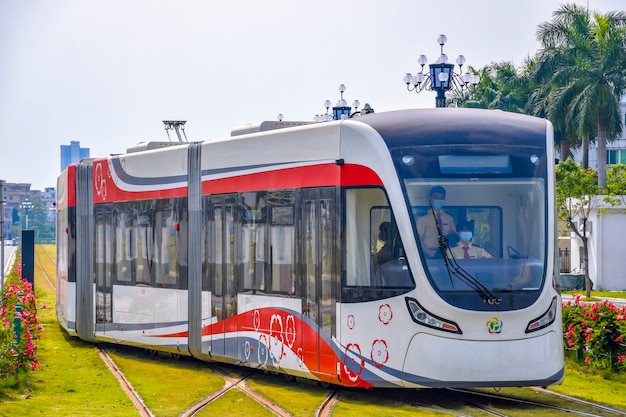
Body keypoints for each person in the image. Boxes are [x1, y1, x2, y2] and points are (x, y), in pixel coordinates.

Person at [416, 186, 457, 258]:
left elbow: (453, 236)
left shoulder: (449, 217)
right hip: (430, 253)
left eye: (441, 198)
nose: (439, 200)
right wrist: (428, 251)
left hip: (447, 253)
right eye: (436, 198)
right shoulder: (423, 218)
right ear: (430, 198)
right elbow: (418, 240)